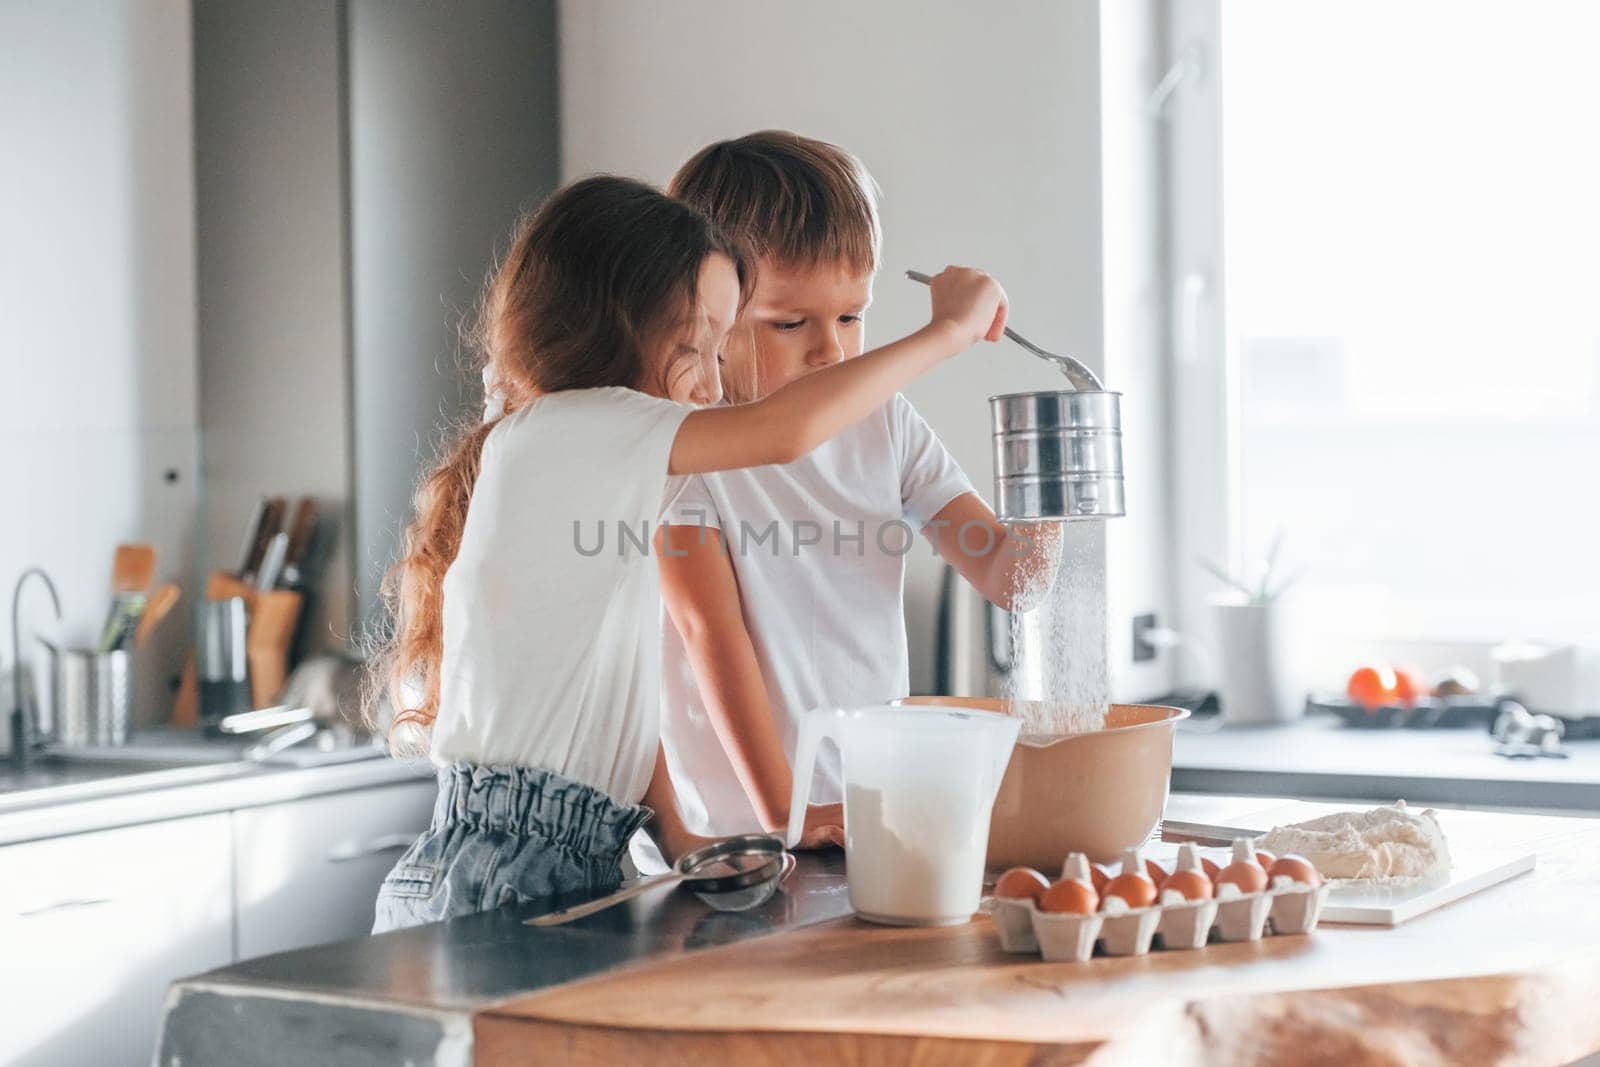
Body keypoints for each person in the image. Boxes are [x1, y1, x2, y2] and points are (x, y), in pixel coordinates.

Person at [370, 173, 1008, 930]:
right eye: (697, 347)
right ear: (619, 324)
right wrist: (949, 332)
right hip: (511, 868)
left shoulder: (595, 459)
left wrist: (679, 833)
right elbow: (785, 433)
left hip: (565, 850)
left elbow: (622, 695)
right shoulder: (578, 425)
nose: (711, 383)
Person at [658, 132, 1059, 847]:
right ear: (705, 312)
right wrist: (789, 812)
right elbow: (709, 633)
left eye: (851, 316)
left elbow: (1007, 573)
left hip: (864, 814)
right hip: (736, 839)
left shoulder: (885, 424)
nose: (832, 350)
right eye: (790, 323)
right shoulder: (683, 446)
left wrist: (1058, 482)